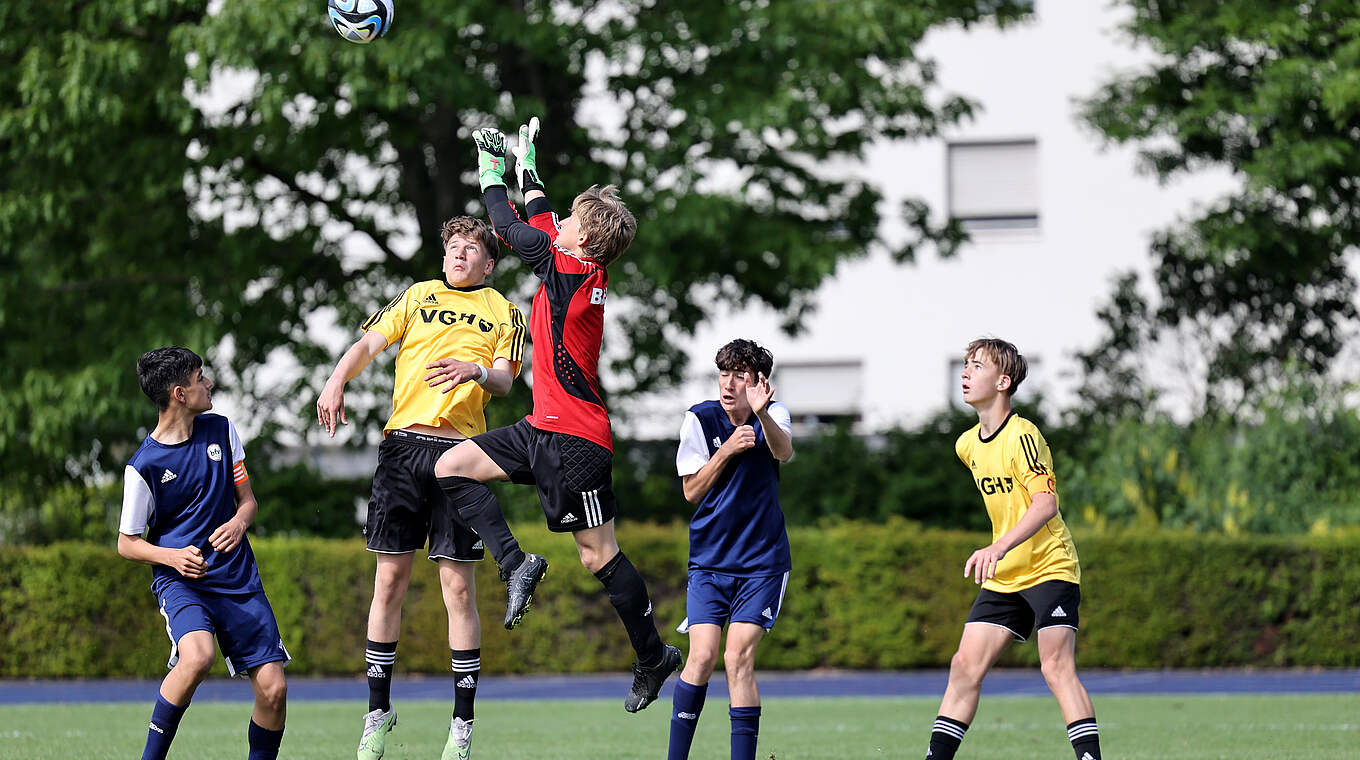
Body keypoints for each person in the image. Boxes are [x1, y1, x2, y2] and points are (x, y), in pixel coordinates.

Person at [428, 117, 682, 712]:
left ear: (583, 242)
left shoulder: (569, 266)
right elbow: (539, 217)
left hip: (576, 441)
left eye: (569, 221)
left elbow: (509, 226)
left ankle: (653, 656)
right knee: (451, 468)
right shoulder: (569, 258)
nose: (558, 224)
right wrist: (526, 160)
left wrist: (491, 166)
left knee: (599, 555)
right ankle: (517, 563)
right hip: (543, 426)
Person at [315, 215, 526, 760]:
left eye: (469, 248)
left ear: (488, 262)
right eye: (452, 246)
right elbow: (368, 345)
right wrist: (337, 378)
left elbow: (504, 380)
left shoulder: (504, 311)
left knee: (458, 591)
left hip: (461, 457)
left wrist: (472, 371)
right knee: (389, 582)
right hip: (403, 448)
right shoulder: (417, 295)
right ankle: (377, 712)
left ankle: (461, 728)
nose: (458, 254)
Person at [923, 338, 1101, 760]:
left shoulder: (1024, 436)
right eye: (965, 365)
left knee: (1055, 667)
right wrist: (1002, 552)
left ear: (1003, 381)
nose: (965, 372)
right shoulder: (966, 446)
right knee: (964, 667)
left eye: (976, 365)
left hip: (1049, 566)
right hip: (1006, 574)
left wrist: (998, 546)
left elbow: (1046, 503)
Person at [118, 347, 289, 760]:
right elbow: (127, 542)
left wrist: (240, 521)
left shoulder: (221, 430)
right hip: (183, 582)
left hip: (238, 577)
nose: (208, 383)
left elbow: (247, 502)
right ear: (179, 393)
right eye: (200, 378)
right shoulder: (143, 466)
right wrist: (173, 558)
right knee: (197, 657)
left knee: (275, 688)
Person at [667, 339, 794, 760]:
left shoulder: (773, 414)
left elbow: (784, 451)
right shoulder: (699, 419)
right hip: (710, 562)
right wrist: (726, 449)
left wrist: (759, 417)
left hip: (762, 564)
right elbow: (691, 491)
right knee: (701, 657)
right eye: (724, 373)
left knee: (737, 657)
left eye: (740, 375)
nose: (729, 383)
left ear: (759, 382)